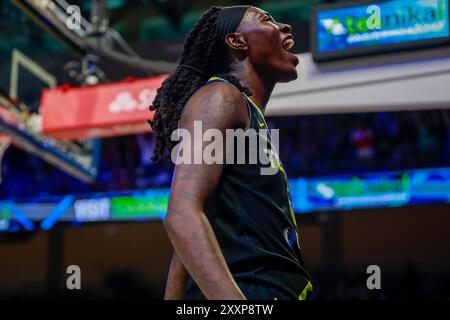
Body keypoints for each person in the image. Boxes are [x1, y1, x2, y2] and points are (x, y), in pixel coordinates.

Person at [148, 5, 312, 300]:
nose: (285, 27)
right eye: (267, 19)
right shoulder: (220, 98)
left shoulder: (244, 112)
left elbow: (191, 238)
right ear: (237, 41)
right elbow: (182, 213)